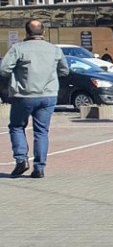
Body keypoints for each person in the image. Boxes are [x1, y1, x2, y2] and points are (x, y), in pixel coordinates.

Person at [0, 20, 69, 178]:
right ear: (43, 32)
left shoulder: (18, 48)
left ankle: (21, 160)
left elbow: (3, 70)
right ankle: (39, 167)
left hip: (24, 96)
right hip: (48, 95)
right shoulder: (54, 49)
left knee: (17, 126)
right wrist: (49, 76)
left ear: (26, 32)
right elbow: (64, 71)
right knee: (41, 131)